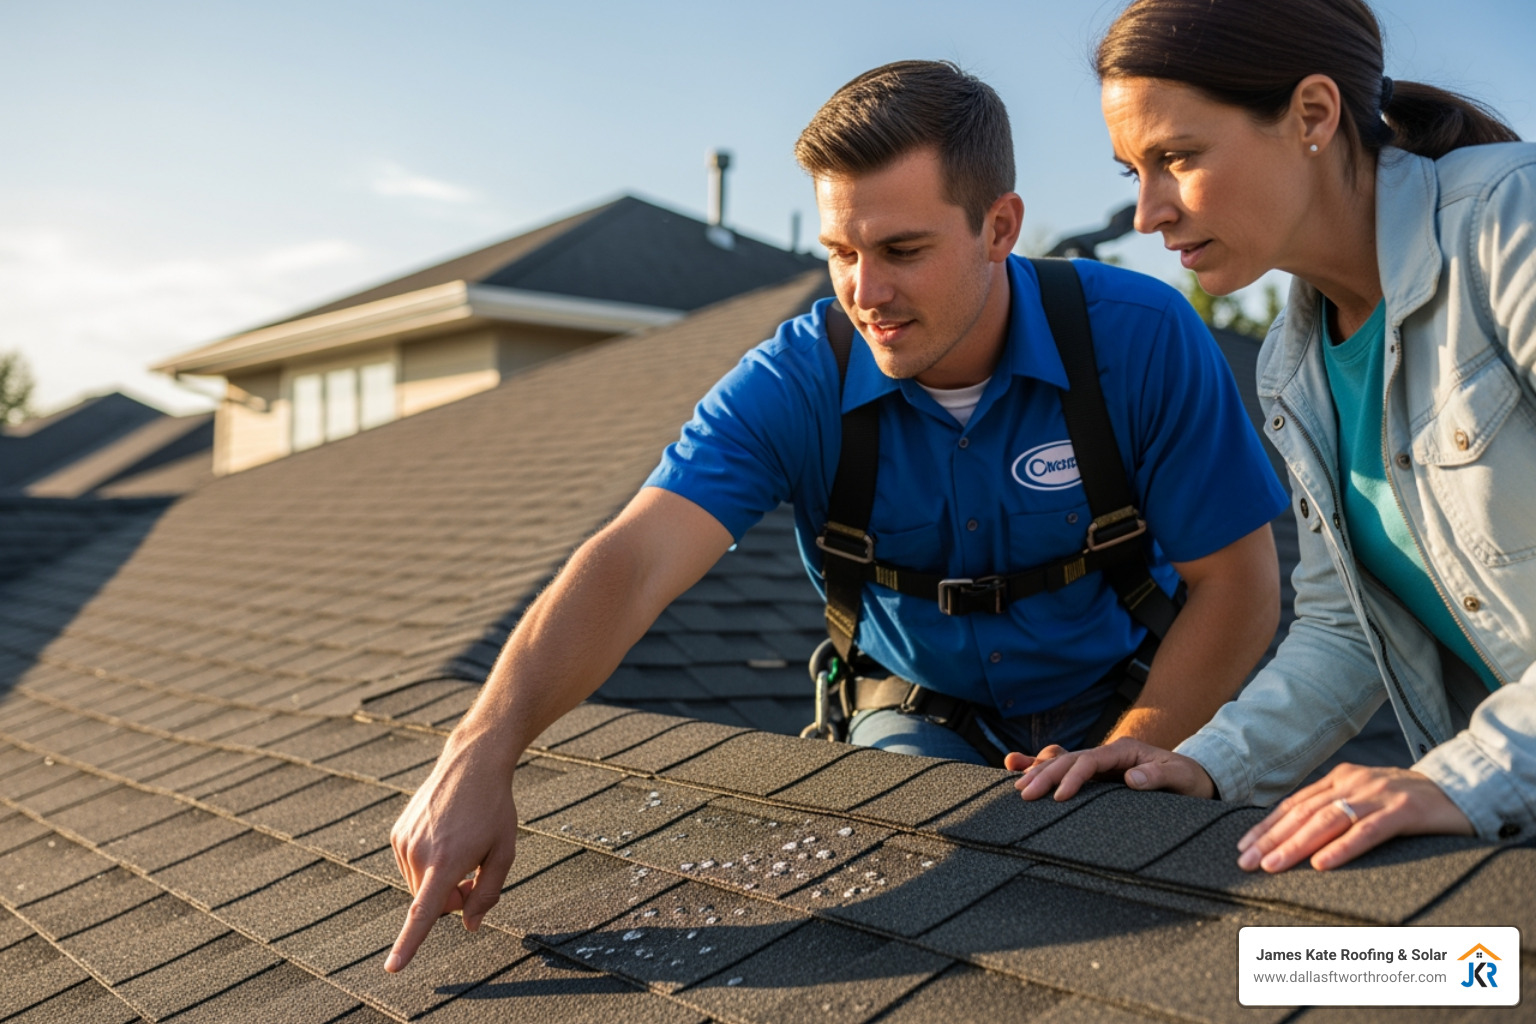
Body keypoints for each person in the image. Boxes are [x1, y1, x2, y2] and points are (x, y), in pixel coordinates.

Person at [386, 60, 1287, 972]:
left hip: (1130, 698)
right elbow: (634, 562)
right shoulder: (795, 380)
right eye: (840, 253)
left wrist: (1126, 756)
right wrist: (481, 751)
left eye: (901, 251)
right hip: (918, 716)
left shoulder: (1138, 339)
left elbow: (1240, 587)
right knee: (917, 936)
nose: (865, 292)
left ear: (999, 229)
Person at [1015, 0, 1536, 876]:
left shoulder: (1510, 225)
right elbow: (1343, 629)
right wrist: (1203, 765)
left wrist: (1472, 773)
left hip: (1493, 788)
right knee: (1288, 978)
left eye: (1176, 158)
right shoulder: (1293, 364)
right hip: (1505, 830)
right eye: (1132, 172)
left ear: (1313, 116)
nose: (1146, 213)